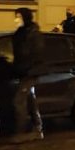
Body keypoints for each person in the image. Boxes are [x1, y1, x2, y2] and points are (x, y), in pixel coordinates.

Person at [11, 8, 45, 143]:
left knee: (18, 101)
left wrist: (25, 68)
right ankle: (38, 129)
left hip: (30, 72)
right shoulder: (20, 33)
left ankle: (21, 132)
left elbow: (36, 55)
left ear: (25, 18)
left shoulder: (33, 34)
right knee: (31, 101)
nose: (16, 20)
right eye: (15, 16)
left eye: (19, 17)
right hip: (23, 72)